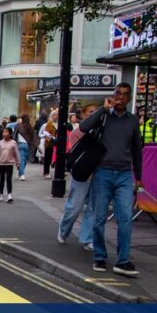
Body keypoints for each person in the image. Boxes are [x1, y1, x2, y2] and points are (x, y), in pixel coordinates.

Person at [80, 83, 143, 277]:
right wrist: (102, 109)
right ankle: (100, 256)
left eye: (125, 94)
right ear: (113, 96)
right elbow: (84, 127)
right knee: (99, 218)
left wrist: (139, 177)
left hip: (124, 174)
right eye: (118, 94)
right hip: (103, 173)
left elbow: (136, 150)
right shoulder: (104, 116)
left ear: (129, 98)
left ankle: (122, 261)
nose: (121, 97)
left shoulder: (132, 121)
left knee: (125, 218)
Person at [57, 104, 98, 249]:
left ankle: (87, 239)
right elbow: (76, 156)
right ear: (84, 115)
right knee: (75, 207)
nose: (94, 114)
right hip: (82, 176)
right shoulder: (77, 133)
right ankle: (63, 230)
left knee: (93, 208)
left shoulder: (102, 132)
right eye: (91, 112)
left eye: (96, 112)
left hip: (97, 176)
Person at [0, 127, 20, 203]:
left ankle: (9, 194)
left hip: (9, 163)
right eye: (3, 132)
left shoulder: (13, 143)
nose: (4, 134)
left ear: (10, 134)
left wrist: (18, 163)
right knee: (2, 179)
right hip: (1, 163)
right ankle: (0, 194)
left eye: (6, 132)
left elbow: (16, 153)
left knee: (9, 179)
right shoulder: (0, 142)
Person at [15, 114, 36, 180]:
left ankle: (21, 174)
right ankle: (20, 173)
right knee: (24, 160)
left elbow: (14, 135)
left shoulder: (18, 126)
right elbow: (33, 137)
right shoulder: (30, 127)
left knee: (21, 160)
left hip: (20, 144)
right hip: (28, 145)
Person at [40, 110, 58, 179]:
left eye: (57, 114)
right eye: (55, 114)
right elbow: (46, 133)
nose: (56, 116)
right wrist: (51, 139)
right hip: (50, 143)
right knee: (48, 158)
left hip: (57, 143)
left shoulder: (59, 124)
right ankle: (46, 172)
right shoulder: (49, 123)